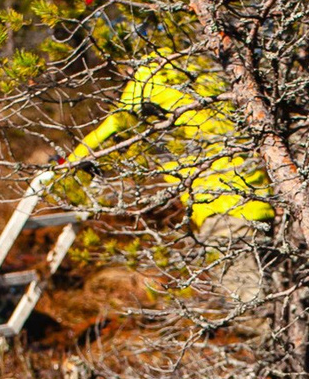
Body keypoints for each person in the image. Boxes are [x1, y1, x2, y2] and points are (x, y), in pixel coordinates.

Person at [66, 52, 275, 310]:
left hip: (220, 204)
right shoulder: (202, 65)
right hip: (261, 193)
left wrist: (70, 165)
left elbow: (116, 128)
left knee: (250, 302)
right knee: (278, 288)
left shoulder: (149, 76)